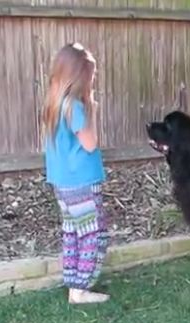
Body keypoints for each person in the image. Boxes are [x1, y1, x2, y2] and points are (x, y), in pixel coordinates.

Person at [41, 43, 110, 304]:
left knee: (72, 232)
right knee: (94, 234)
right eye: (90, 76)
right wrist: (92, 108)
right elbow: (90, 143)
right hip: (81, 182)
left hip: (62, 182)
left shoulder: (54, 103)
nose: (92, 81)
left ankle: (73, 284)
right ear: (79, 76)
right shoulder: (76, 108)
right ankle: (81, 289)